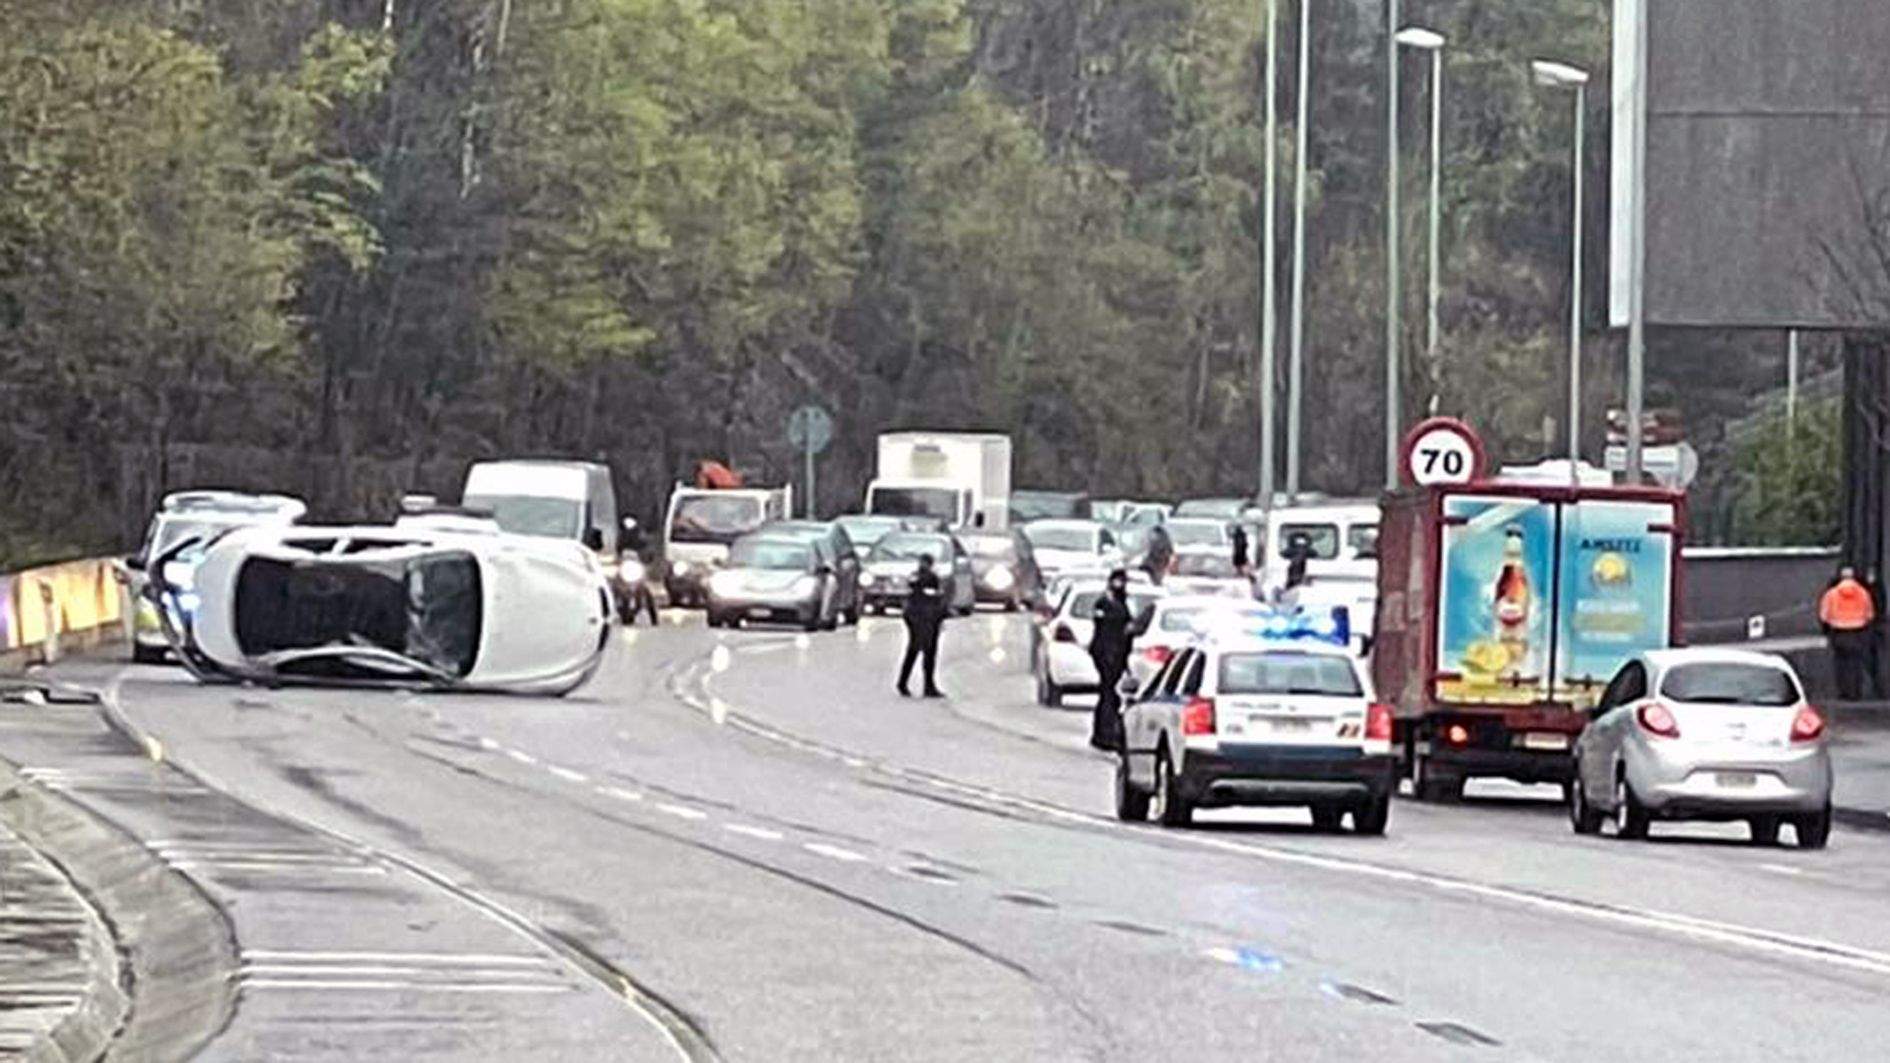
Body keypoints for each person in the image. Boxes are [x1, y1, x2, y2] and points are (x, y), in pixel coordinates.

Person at [1088, 568, 1152, 751]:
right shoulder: (1104, 603)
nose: (1121, 585)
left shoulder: (1122, 602)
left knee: (1110, 694)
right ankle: (1104, 734)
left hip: (1118, 655)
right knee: (1108, 694)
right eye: (1118, 581)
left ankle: (1106, 732)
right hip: (1106, 654)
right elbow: (1105, 629)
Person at [1820, 565, 1877, 701]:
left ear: (1840, 577)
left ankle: (1843, 692)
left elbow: (1824, 616)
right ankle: (1855, 692)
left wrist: (1827, 630)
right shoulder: (1863, 593)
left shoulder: (1831, 594)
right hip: (1858, 633)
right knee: (1856, 664)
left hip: (1839, 633)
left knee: (1841, 664)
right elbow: (1870, 615)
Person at [898, 554, 947, 698]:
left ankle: (904, 682)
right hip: (926, 618)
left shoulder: (914, 577)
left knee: (914, 649)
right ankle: (927, 685)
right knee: (928, 651)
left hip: (915, 616)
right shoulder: (930, 578)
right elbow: (934, 599)